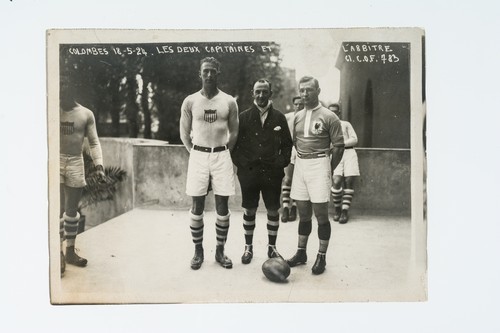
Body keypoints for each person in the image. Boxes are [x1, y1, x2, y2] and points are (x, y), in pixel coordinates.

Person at [179, 57, 239, 270]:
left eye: (213, 71)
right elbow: (184, 133)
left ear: (218, 73)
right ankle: (198, 251)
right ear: (200, 73)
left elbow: (234, 132)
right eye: (206, 71)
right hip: (198, 156)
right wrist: (196, 152)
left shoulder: (229, 101)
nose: (209, 74)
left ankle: (220, 251)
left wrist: (223, 153)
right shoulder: (190, 101)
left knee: (222, 207)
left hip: (221, 156)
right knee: (197, 206)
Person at [286, 76, 344, 275]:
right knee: (303, 214)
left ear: (318, 90)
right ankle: (301, 253)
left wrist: (329, 167)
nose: (304, 94)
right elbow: (293, 143)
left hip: (320, 163)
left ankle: (321, 256)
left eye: (309, 90)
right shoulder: (296, 117)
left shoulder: (329, 116)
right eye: (301, 90)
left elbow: (338, 146)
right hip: (301, 163)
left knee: (320, 214)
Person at [232, 79, 293, 264]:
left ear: (270, 94)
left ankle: (272, 249)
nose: (260, 95)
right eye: (257, 92)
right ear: (253, 93)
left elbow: (287, 145)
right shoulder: (242, 117)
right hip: (249, 173)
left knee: (273, 210)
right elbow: (234, 145)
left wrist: (280, 163)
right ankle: (248, 248)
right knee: (249, 210)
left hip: (272, 174)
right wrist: (243, 165)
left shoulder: (280, 118)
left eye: (264, 92)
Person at [59, 79, 105, 275]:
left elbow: (94, 143)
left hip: (75, 161)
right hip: (55, 159)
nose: (62, 92)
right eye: (60, 88)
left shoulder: (86, 114)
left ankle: (70, 251)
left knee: (71, 210)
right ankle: (57, 253)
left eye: (66, 88)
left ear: (73, 90)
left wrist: (99, 166)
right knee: (57, 209)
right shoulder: (51, 109)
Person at [328, 103, 360, 224]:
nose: (333, 114)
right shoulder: (327, 126)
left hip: (349, 153)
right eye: (331, 111)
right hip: (335, 154)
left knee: (349, 181)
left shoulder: (346, 124)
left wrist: (341, 144)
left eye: (336, 112)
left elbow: (354, 139)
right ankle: (337, 209)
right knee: (336, 181)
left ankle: (344, 211)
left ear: (339, 113)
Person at [281, 96, 304, 222]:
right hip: (289, 148)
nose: (299, 106)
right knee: (287, 178)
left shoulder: (307, 117)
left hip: (302, 149)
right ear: (293, 104)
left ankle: (294, 207)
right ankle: (285, 207)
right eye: (296, 104)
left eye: (301, 104)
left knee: (298, 179)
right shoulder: (287, 117)